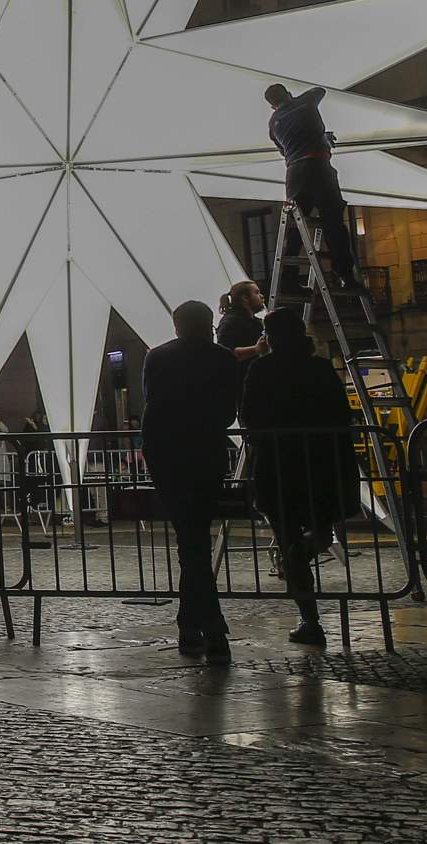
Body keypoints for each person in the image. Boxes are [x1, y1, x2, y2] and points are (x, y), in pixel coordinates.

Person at [240, 307, 356, 647]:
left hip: (278, 465)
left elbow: (248, 415)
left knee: (288, 532)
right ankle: (302, 555)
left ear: (272, 336)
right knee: (321, 532)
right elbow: (341, 412)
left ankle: (309, 616)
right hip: (321, 464)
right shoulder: (319, 367)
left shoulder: (262, 369)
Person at [142, 300, 243, 664]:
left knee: (192, 548)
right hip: (207, 458)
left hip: (172, 461)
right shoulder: (224, 360)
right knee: (194, 546)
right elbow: (228, 412)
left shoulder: (158, 358)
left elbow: (152, 411)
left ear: (176, 325)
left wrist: (153, 459)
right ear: (209, 323)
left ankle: (203, 627)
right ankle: (201, 628)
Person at [263, 83, 359, 287]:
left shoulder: (273, 123)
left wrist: (319, 137)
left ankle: (288, 277)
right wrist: (322, 137)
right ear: (288, 93)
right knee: (332, 220)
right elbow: (320, 90)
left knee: (297, 226)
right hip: (318, 166)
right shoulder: (306, 101)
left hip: (295, 173)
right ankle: (344, 274)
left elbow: (287, 148)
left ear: (272, 106)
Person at [216, 281, 267, 363]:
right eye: (257, 293)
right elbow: (224, 354)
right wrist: (256, 349)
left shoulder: (256, 322)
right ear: (245, 298)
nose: (261, 296)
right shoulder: (230, 322)